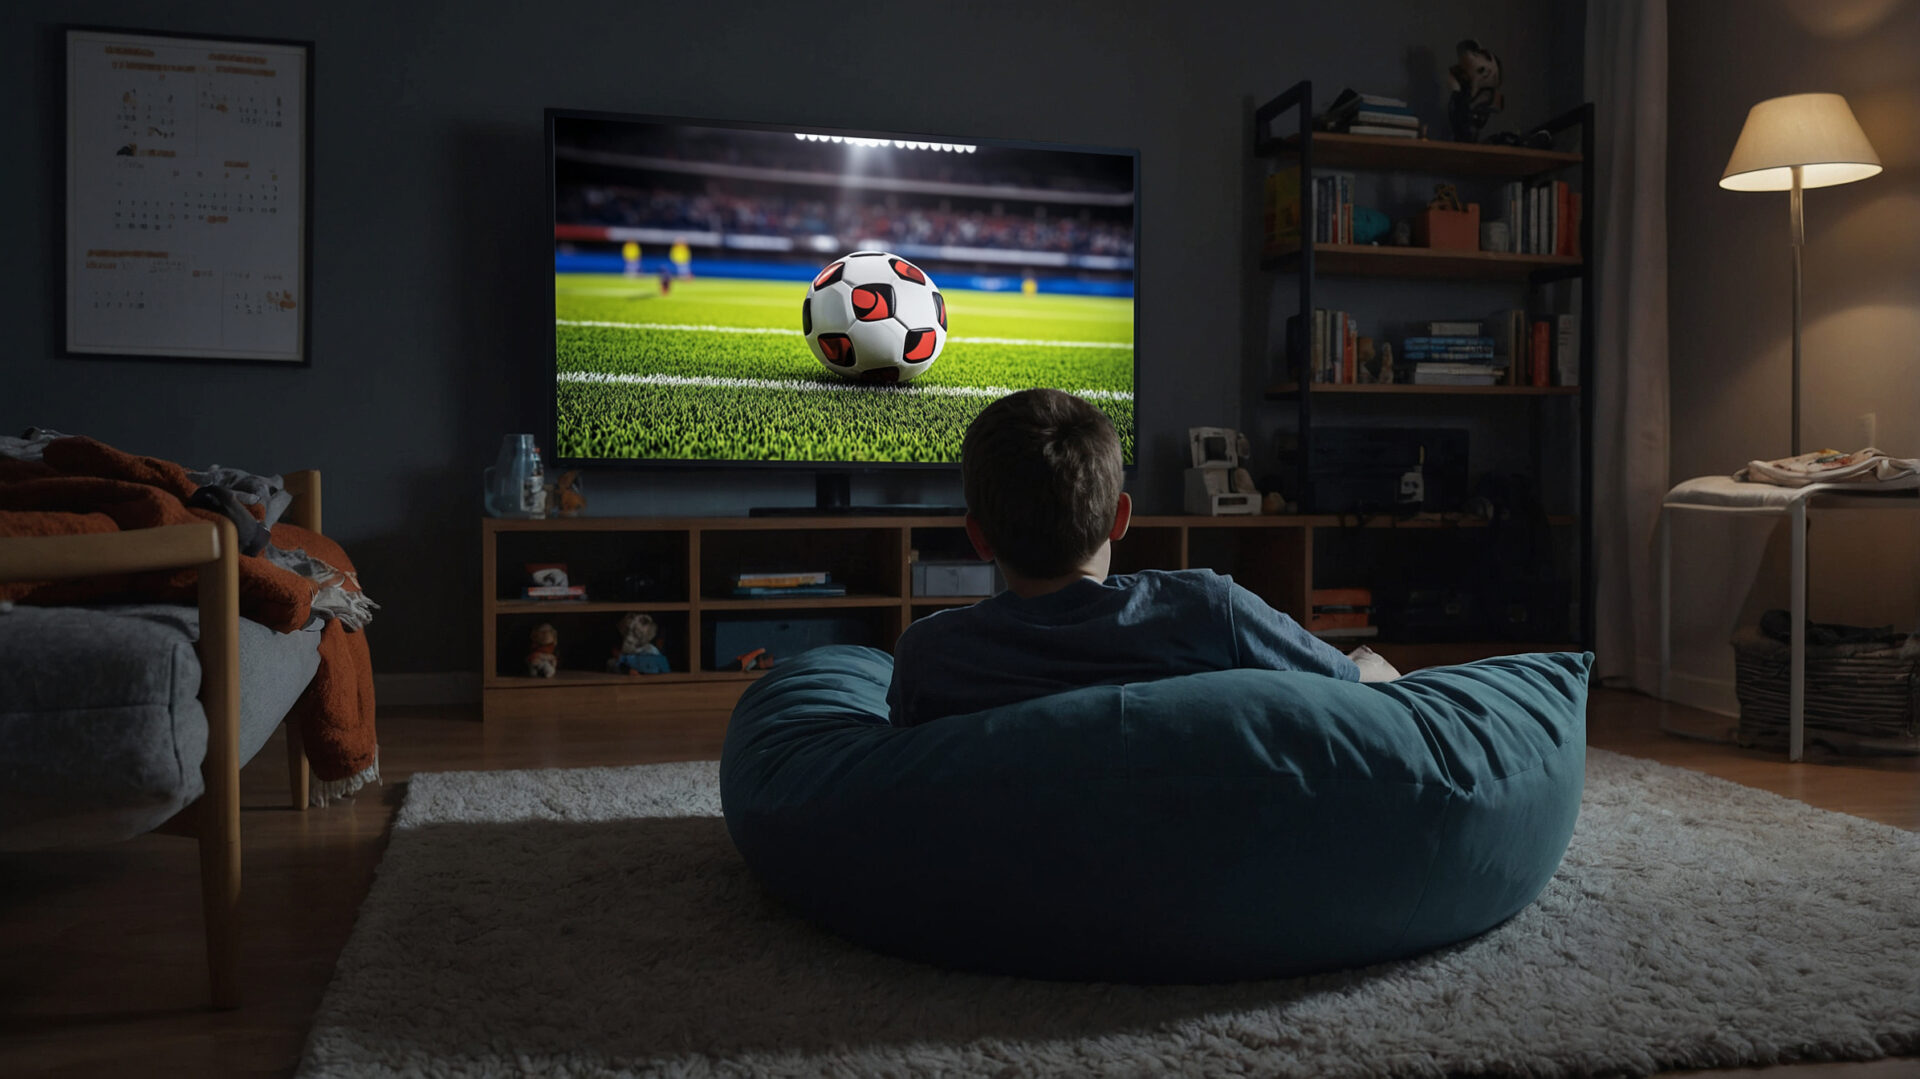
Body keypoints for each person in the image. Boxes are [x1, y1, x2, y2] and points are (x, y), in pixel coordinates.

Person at [887, 388, 1398, 727]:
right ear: (1121, 517)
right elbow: (1349, 687)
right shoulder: (1206, 609)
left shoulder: (927, 655)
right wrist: (1368, 665)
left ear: (978, 537)